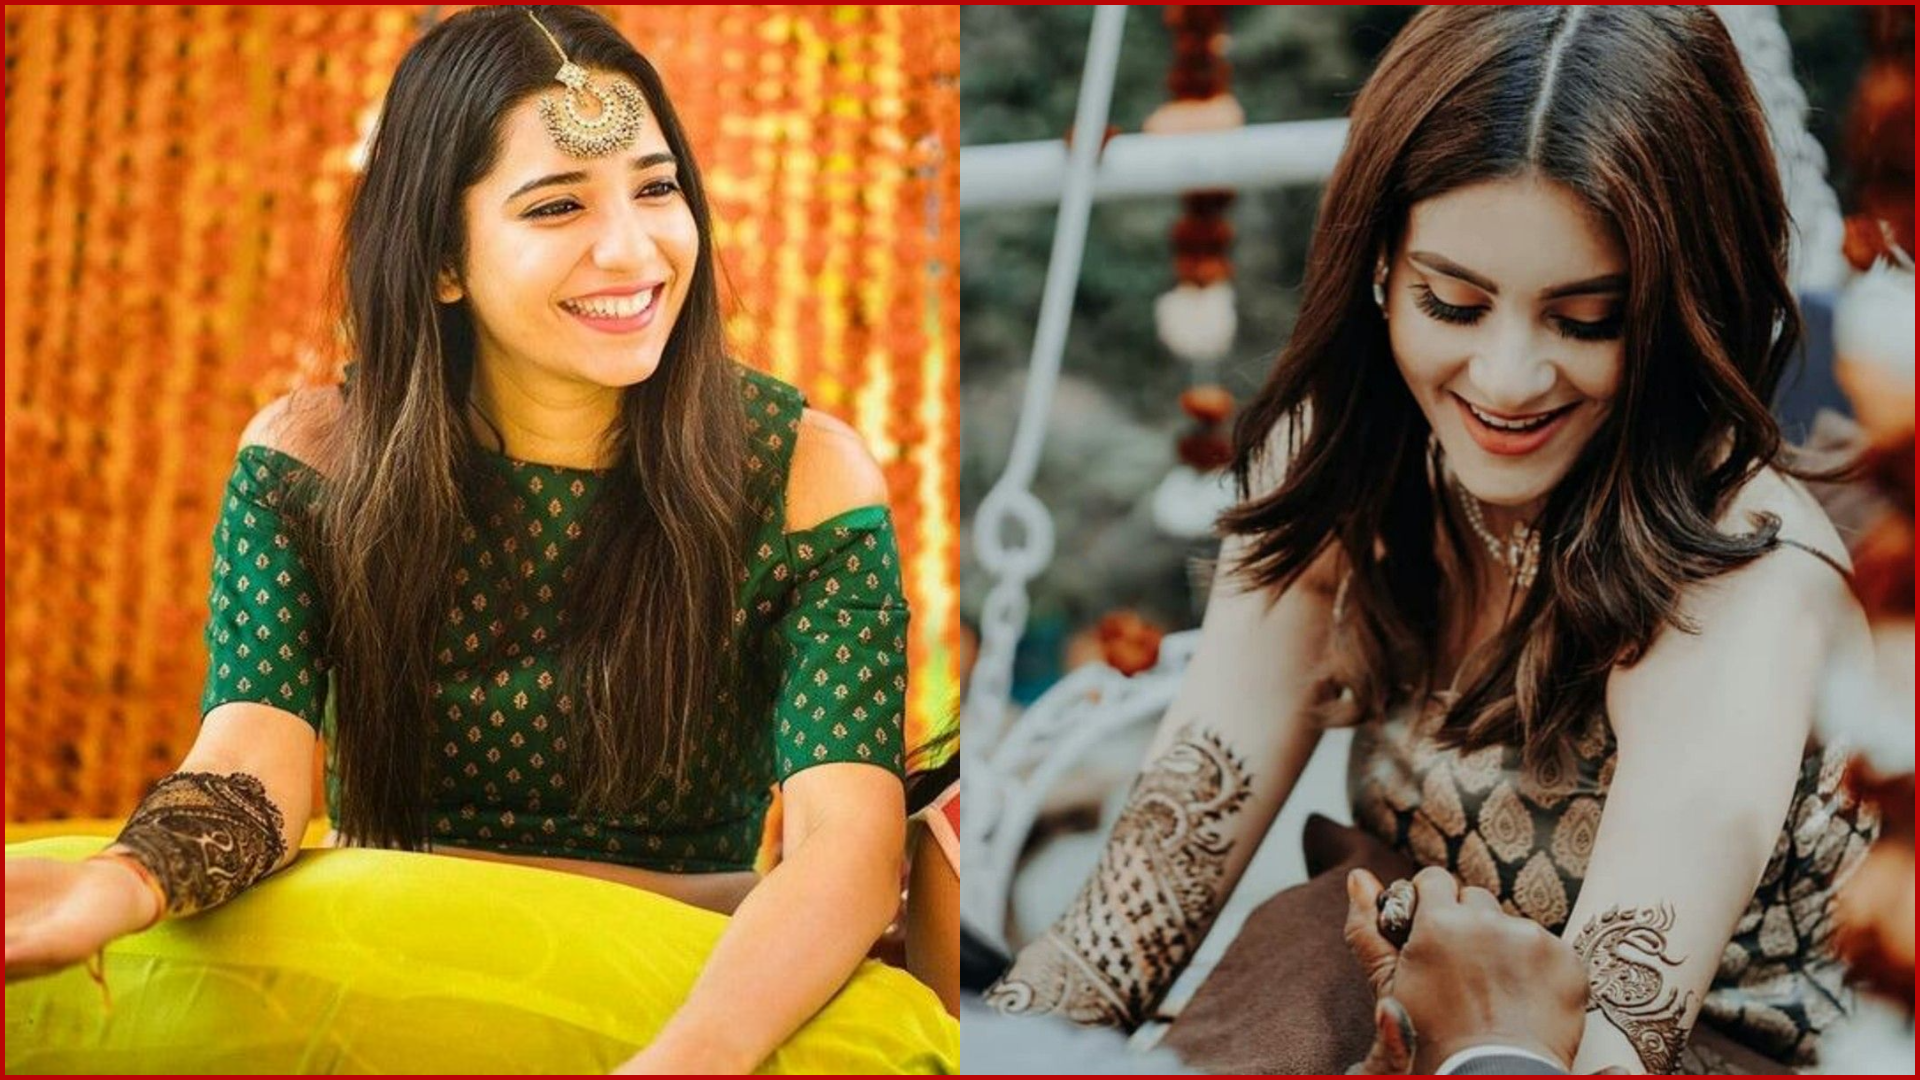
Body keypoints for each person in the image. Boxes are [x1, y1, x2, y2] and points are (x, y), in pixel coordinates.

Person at [5, 6, 949, 1073]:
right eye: (557, 205)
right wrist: (126, 882)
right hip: (385, 952)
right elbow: (250, 766)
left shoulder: (803, 476)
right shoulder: (314, 458)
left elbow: (844, 847)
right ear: (442, 259)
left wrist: (688, 1059)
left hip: (681, 977)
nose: (632, 249)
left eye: (656, 189)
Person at [985, 6, 1875, 1072]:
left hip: (1675, 1054)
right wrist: (990, 1050)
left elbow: (1612, 1048)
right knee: (1311, 951)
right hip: (1396, 1011)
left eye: (1588, 320)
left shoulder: (1742, 585)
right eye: (1452, 303)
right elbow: (1142, 900)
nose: (1507, 380)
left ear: (1688, 307)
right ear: (1378, 269)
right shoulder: (1342, 465)